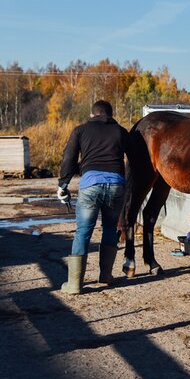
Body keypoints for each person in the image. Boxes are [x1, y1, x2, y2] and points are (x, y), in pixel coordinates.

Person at [57, 100, 129, 295]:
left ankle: (74, 285)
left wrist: (63, 184)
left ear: (92, 115)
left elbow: (69, 158)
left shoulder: (80, 130)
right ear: (110, 115)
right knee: (109, 228)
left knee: (83, 232)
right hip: (116, 186)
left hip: (90, 185)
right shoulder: (121, 132)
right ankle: (105, 277)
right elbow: (133, 158)